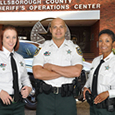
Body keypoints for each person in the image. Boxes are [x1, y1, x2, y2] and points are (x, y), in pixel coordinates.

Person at [32, 18, 83, 115]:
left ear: (65, 29)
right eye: (55, 27)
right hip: (45, 98)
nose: (58, 30)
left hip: (66, 98)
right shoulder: (42, 48)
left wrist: (51, 67)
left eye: (61, 27)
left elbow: (76, 72)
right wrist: (66, 72)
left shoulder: (74, 48)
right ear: (50, 30)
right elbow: (37, 73)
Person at [0, 25, 32, 115]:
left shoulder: (20, 58)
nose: (11, 41)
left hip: (18, 105)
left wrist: (28, 88)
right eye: (7, 37)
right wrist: (0, 92)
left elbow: (25, 78)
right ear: (1, 39)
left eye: (14, 37)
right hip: (1, 104)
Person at [83, 29, 115, 115]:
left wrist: (108, 93)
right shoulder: (96, 60)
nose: (103, 44)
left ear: (113, 43)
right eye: (100, 41)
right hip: (93, 107)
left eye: (107, 41)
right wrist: (86, 87)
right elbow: (91, 78)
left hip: (108, 109)